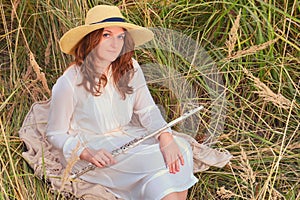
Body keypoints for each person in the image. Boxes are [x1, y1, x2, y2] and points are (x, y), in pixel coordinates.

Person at [46, 5, 198, 200]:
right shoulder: (68, 82)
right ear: (91, 40)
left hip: (127, 137)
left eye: (121, 37)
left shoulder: (130, 68)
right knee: (155, 160)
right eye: (107, 35)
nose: (115, 44)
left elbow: (147, 109)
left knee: (181, 148)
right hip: (94, 152)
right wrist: (86, 153)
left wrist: (165, 137)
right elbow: (55, 133)